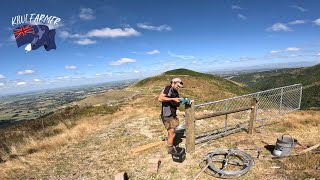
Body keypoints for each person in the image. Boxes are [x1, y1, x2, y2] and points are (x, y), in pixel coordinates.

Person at [158, 78, 183, 154]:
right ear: (174, 83)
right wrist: (173, 99)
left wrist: (180, 101)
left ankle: (170, 144)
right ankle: (170, 149)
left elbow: (176, 103)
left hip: (172, 114)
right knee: (172, 133)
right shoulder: (168, 88)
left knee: (172, 132)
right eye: (177, 86)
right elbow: (160, 98)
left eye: (179, 87)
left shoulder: (175, 92)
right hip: (167, 115)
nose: (178, 88)